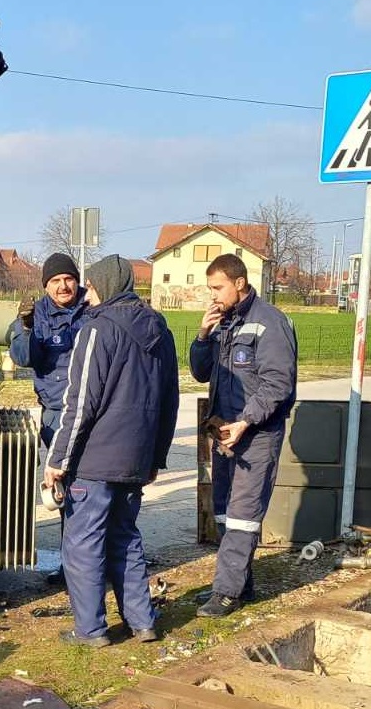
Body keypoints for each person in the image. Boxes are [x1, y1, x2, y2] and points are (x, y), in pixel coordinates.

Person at [43, 255, 180, 647]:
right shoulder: (161, 331)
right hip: (136, 459)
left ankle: (90, 630)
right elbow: (170, 399)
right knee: (125, 537)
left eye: (91, 284)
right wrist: (156, 458)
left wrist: (57, 461)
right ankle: (143, 623)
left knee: (83, 544)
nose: (87, 292)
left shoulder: (97, 330)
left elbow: (80, 401)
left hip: (96, 460)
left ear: (106, 283)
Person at [189, 253, 297, 618]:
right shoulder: (223, 323)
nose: (213, 296)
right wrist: (203, 335)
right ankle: (241, 582)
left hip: (256, 433)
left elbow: (278, 384)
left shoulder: (271, 323)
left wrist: (247, 421)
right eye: (210, 289)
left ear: (239, 283)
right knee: (223, 512)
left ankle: (225, 592)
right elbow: (201, 374)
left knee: (243, 515)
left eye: (218, 288)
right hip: (224, 432)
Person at [9, 252, 89, 585]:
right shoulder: (35, 314)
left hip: (91, 411)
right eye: (55, 281)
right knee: (66, 491)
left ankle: (93, 564)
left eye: (68, 279)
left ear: (77, 281)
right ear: (46, 286)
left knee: (90, 490)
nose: (63, 286)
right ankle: (73, 566)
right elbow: (23, 357)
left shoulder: (92, 308)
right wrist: (26, 328)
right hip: (56, 414)